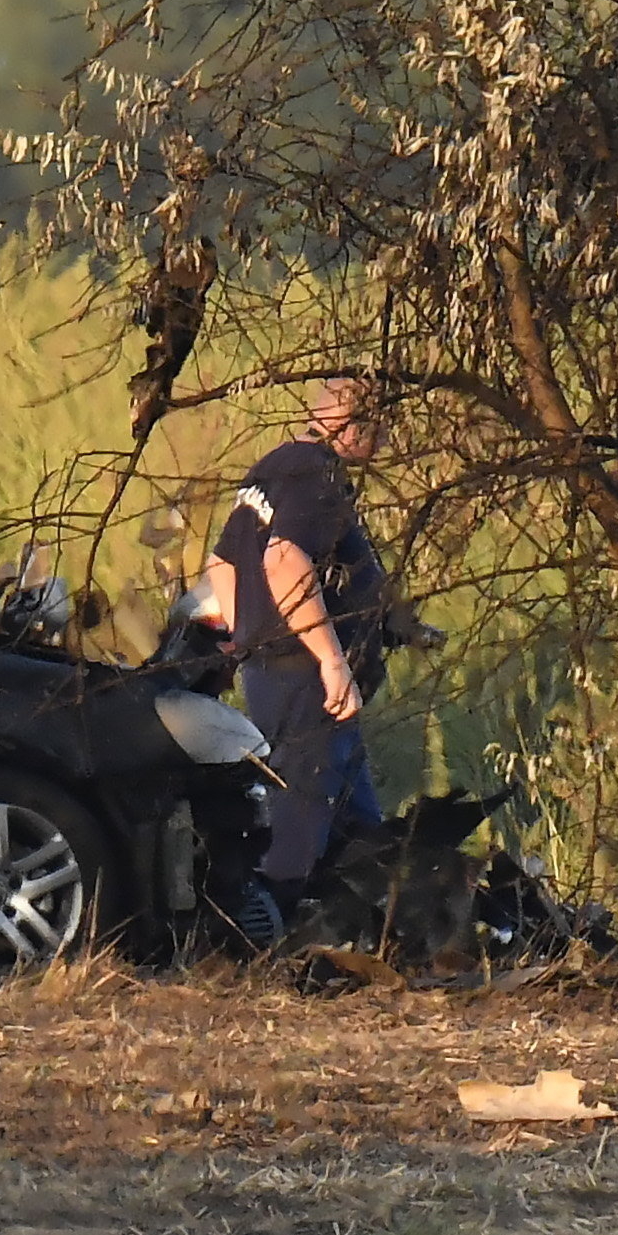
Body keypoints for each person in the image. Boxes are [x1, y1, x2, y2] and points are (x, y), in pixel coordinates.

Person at [217, 375, 402, 915]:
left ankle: (372, 929)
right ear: (354, 426)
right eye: (382, 429)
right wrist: (331, 660)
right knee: (298, 823)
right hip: (305, 680)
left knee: (357, 825)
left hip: (274, 671)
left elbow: (222, 565)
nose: (386, 443)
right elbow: (284, 559)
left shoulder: (274, 467)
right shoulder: (318, 474)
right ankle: (265, 937)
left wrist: (247, 639)